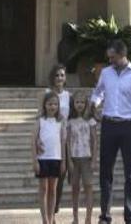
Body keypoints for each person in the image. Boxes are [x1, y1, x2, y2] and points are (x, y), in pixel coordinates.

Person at [90, 39, 131, 224]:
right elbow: (98, 91)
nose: (110, 61)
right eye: (109, 57)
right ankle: (105, 216)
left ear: (122, 55)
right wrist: (94, 103)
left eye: (113, 57)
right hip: (109, 124)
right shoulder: (106, 73)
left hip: (129, 126)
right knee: (105, 172)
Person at [34, 91, 67, 224]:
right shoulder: (40, 121)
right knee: (44, 189)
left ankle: (51, 216)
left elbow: (63, 142)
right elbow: (33, 140)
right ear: (44, 105)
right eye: (49, 104)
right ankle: (45, 220)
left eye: (55, 104)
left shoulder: (61, 122)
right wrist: (35, 159)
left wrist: (63, 161)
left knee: (53, 190)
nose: (52, 106)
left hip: (56, 159)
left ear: (58, 106)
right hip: (42, 159)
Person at [66, 92, 98, 224]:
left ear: (86, 104)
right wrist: (68, 160)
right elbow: (67, 141)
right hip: (74, 158)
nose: (80, 105)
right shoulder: (70, 121)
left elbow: (94, 140)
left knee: (88, 187)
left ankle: (88, 218)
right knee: (75, 188)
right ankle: (75, 218)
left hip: (87, 158)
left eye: (82, 102)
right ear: (73, 104)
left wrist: (94, 159)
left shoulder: (90, 120)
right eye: (77, 102)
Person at [48, 64, 71, 215]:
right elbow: (40, 115)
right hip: (51, 140)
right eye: (57, 75)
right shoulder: (47, 94)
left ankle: (55, 209)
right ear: (52, 78)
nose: (59, 78)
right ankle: (49, 211)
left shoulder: (68, 96)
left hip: (65, 139)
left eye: (62, 75)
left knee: (62, 176)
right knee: (50, 178)